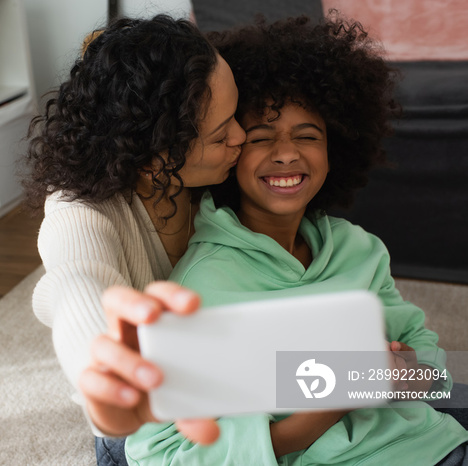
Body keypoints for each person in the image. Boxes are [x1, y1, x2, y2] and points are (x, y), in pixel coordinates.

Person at [89, 14, 468, 466]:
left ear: (337, 147)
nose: (286, 153)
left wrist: (405, 376)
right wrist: (335, 399)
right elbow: (162, 451)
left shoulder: (359, 249)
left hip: (430, 445)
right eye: (261, 138)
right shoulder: (200, 286)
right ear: (230, 153)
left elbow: (431, 364)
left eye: (307, 136)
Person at [23, 14, 245, 465]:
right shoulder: (80, 207)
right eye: (222, 134)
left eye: (236, 117)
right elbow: (76, 282)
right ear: (153, 153)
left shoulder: (220, 183)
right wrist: (103, 372)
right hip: (149, 424)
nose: (242, 137)